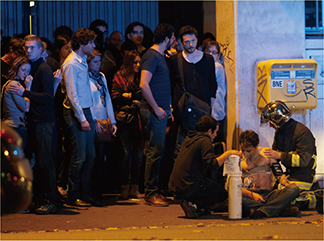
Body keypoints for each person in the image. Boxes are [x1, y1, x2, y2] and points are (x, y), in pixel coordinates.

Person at [8, 34, 59, 214]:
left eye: (32, 48)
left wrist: (24, 92)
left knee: (46, 162)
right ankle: (39, 198)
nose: (28, 50)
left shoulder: (43, 69)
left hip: (44, 121)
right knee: (37, 162)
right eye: (26, 48)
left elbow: (47, 98)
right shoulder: (32, 67)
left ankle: (51, 200)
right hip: (34, 121)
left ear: (40, 49)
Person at [169, 116, 242, 219]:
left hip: (176, 184)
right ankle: (192, 204)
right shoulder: (205, 141)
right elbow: (212, 165)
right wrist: (228, 154)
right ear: (209, 131)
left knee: (210, 184)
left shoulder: (190, 138)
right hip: (189, 185)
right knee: (221, 193)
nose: (216, 135)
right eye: (215, 132)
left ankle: (198, 207)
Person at [61, 28, 99, 207]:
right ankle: (73, 195)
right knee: (80, 156)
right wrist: (82, 118)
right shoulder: (71, 63)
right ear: (82, 44)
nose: (93, 45)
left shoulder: (82, 60)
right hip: (76, 112)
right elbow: (72, 93)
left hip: (85, 110)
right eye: (91, 42)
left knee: (90, 155)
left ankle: (85, 192)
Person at [139, 23, 175, 207]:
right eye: (173, 37)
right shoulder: (152, 56)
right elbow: (143, 84)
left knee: (158, 151)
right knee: (154, 151)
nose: (174, 41)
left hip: (160, 110)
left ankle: (155, 190)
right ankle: (150, 192)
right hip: (154, 112)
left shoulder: (158, 55)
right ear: (167, 38)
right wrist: (156, 108)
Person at [168, 25, 217, 156]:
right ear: (181, 42)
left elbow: (212, 83)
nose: (190, 44)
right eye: (186, 42)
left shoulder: (208, 59)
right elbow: (172, 85)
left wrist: (211, 106)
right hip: (183, 110)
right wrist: (172, 107)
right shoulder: (175, 60)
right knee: (181, 149)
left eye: (192, 41)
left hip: (203, 109)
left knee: (203, 148)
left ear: (197, 40)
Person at [261, 100, 318, 209]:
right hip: (287, 176)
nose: (270, 126)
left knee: (288, 197)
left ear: (279, 120)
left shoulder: (302, 133)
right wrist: (280, 176)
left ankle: (306, 201)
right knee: (268, 196)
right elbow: (274, 157)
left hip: (303, 177)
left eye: (271, 122)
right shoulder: (280, 133)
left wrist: (280, 156)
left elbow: (303, 160)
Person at [239, 130, 301, 219]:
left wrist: (285, 182)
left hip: (268, 195)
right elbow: (234, 186)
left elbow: (279, 174)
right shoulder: (238, 158)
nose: (246, 153)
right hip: (250, 196)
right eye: (243, 150)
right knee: (236, 199)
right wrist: (251, 195)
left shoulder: (266, 154)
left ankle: (262, 211)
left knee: (294, 189)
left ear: (256, 146)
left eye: (249, 151)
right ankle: (278, 210)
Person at [111, 50, 143, 200]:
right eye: (135, 62)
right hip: (124, 119)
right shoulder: (120, 75)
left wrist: (128, 95)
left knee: (138, 155)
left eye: (139, 62)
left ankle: (134, 187)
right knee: (124, 154)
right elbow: (115, 97)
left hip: (139, 119)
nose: (138, 65)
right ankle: (124, 187)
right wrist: (132, 97)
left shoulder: (140, 77)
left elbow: (143, 95)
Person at [88, 49, 117, 200]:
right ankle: (90, 191)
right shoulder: (85, 77)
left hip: (104, 119)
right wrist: (93, 121)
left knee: (101, 157)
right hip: (93, 120)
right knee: (91, 158)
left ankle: (98, 191)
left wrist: (112, 121)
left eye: (100, 61)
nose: (98, 65)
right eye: (95, 61)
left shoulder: (101, 76)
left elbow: (107, 99)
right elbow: (86, 102)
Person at [2, 56, 32, 149]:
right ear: (16, 68)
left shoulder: (8, 83)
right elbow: (26, 108)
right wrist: (28, 88)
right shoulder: (14, 85)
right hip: (15, 127)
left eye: (28, 71)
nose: (26, 73)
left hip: (11, 126)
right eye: (23, 70)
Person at [204, 41, 227, 144]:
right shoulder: (210, 65)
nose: (210, 54)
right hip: (214, 109)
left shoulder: (217, 66)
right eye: (208, 51)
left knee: (214, 141)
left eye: (214, 52)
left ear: (218, 54)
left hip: (216, 109)